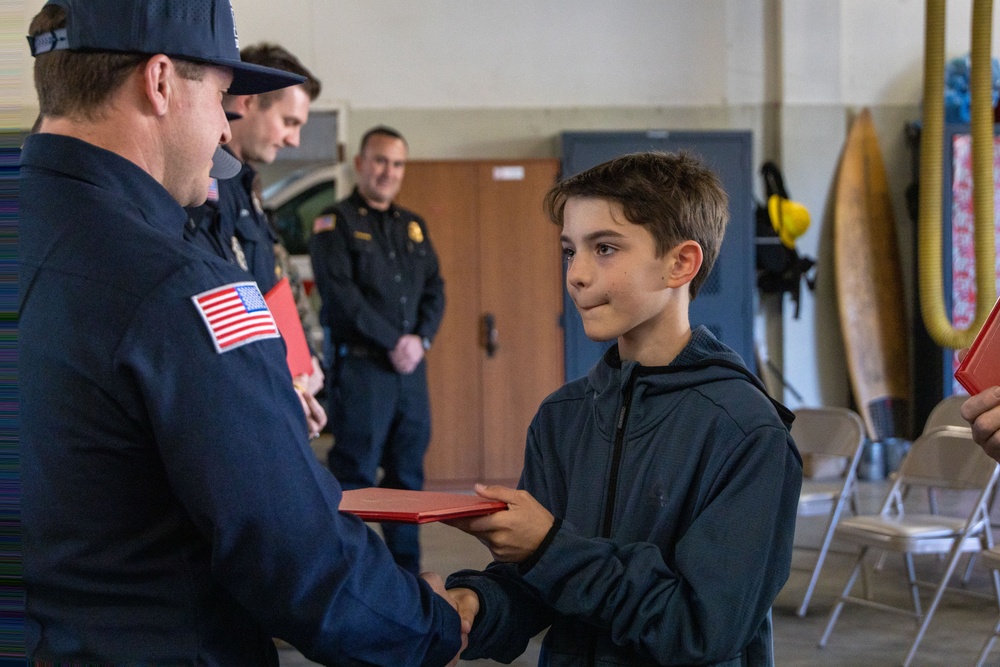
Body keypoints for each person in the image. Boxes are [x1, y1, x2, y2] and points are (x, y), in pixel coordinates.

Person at [19, 0, 467, 663]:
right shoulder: (183, 288)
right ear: (161, 81)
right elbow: (294, 550)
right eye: (224, 100)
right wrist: (431, 624)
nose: (225, 134)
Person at [443, 152, 803, 666]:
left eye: (605, 249)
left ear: (681, 263)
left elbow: (700, 627)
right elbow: (542, 582)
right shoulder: (562, 417)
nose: (577, 275)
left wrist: (549, 547)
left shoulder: (746, 433)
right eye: (570, 251)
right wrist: (475, 605)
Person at [309, 126, 445, 576]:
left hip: (410, 374)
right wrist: (393, 342)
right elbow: (342, 299)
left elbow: (434, 289)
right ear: (361, 164)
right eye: (381, 161)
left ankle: (406, 579)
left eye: (397, 163)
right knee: (356, 478)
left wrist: (419, 340)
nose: (389, 171)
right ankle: (355, 579)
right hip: (363, 372)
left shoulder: (413, 226)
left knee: (408, 478)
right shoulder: (335, 223)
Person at [184, 41, 326, 427]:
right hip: (247, 395)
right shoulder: (203, 185)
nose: (293, 139)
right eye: (289, 122)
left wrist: (303, 365)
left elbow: (272, 284)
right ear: (247, 103)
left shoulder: (248, 187)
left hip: (278, 385)